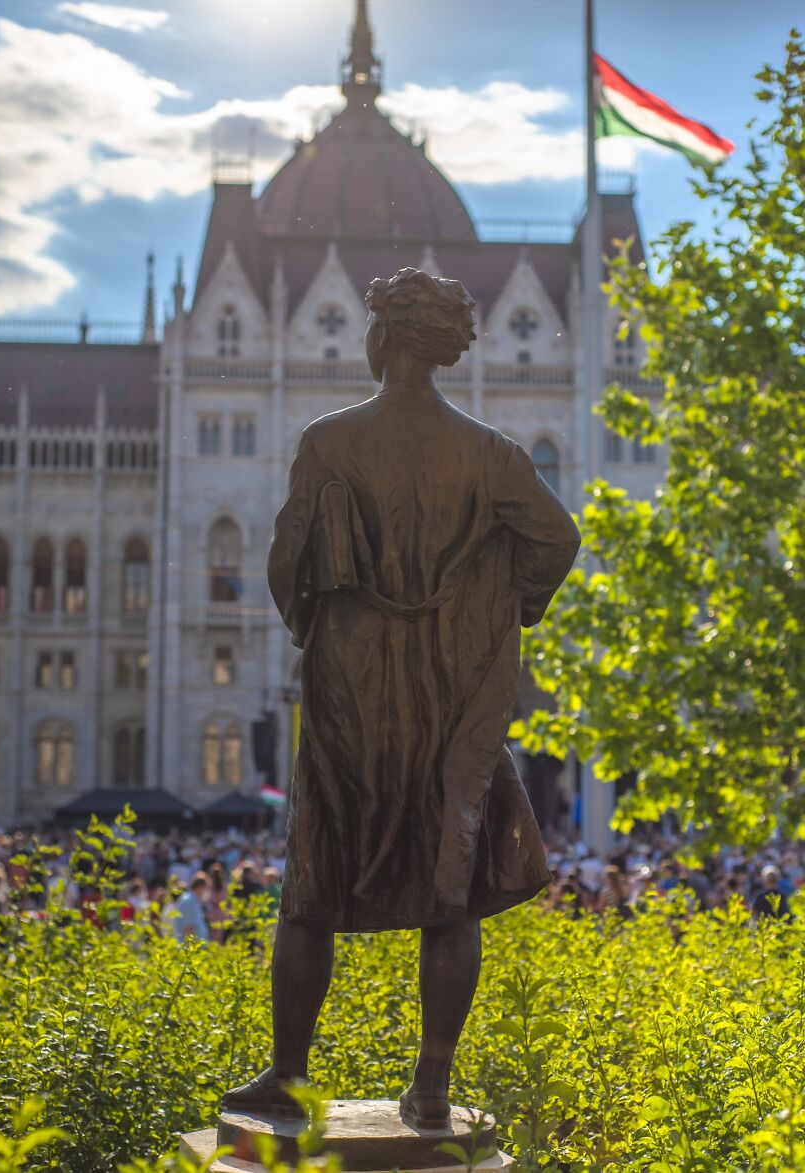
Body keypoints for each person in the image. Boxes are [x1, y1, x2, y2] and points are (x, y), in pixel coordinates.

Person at [224, 267, 580, 1127]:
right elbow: (556, 538)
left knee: (313, 883)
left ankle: (291, 1074)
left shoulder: (329, 440)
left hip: (350, 694)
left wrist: (330, 619)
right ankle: (431, 1086)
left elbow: (286, 565)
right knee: (449, 883)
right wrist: (492, 607)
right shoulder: (491, 451)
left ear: (383, 339)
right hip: (454, 695)